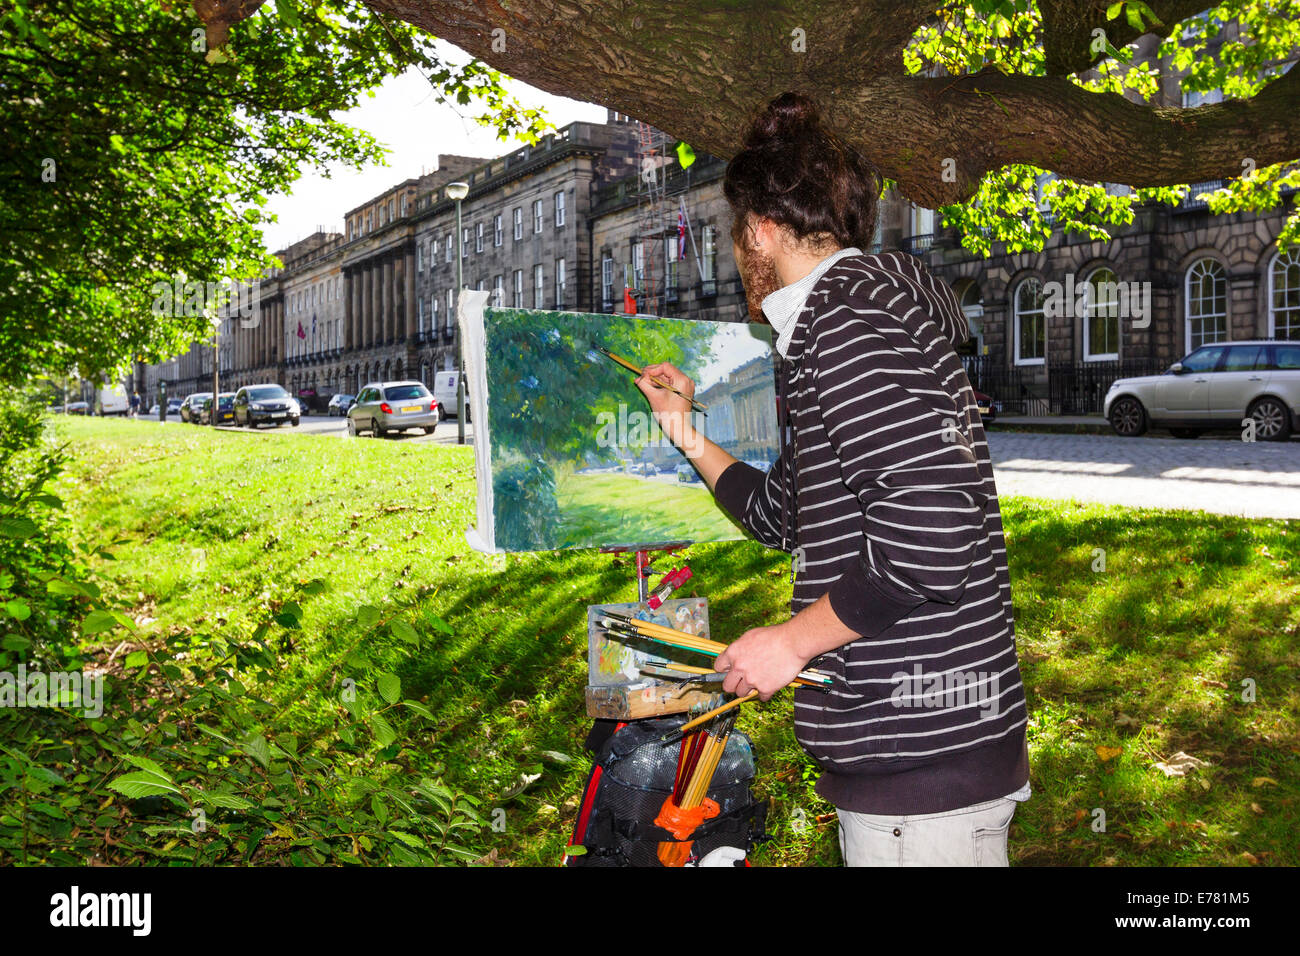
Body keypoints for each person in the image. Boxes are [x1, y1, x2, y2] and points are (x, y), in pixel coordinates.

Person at [634, 91, 1030, 867]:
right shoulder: (850, 317)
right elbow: (788, 515)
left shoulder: (846, 317)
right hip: (918, 765)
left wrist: (789, 643)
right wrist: (685, 431)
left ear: (762, 230)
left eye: (737, 234)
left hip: (924, 774)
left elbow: (931, 540)